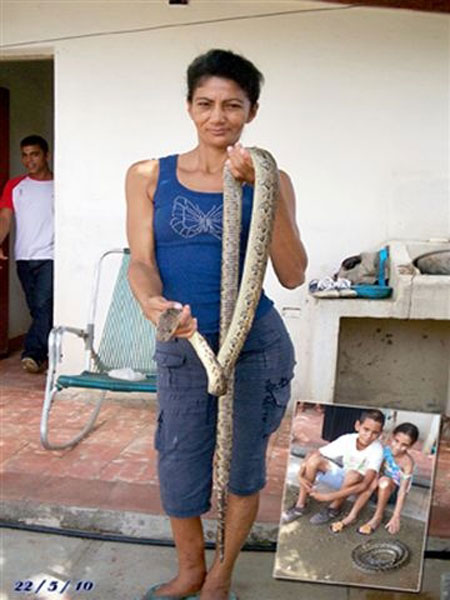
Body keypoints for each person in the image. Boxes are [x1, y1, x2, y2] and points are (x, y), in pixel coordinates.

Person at [126, 49, 307, 600]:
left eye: (233, 104)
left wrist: (264, 190)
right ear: (189, 106)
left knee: (242, 465)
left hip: (255, 347)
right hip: (185, 343)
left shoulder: (272, 178)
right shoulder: (148, 174)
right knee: (179, 458)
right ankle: (190, 570)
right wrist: (152, 304)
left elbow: (294, 274)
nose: (218, 116)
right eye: (205, 103)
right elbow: (140, 261)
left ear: (252, 111)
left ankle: (221, 575)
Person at [0, 135, 54, 373]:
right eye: (25, 154)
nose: (29, 160)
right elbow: (5, 218)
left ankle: (32, 354)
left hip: (51, 256)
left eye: (35, 154)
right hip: (24, 257)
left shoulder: (61, 185)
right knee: (37, 308)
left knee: (43, 305)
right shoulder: (15, 186)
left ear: (47, 155)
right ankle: (50, 348)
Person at [282, 409, 385, 526]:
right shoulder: (348, 439)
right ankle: (300, 505)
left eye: (375, 433)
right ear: (357, 426)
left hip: (355, 486)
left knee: (353, 475)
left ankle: (333, 508)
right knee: (314, 461)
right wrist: (300, 476)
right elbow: (314, 453)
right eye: (366, 429)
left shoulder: (377, 450)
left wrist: (328, 497)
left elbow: (365, 485)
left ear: (380, 434)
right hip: (343, 476)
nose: (368, 436)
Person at [330, 422, 419, 535]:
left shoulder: (408, 463)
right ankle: (352, 516)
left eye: (404, 445)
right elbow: (376, 473)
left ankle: (378, 516)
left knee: (384, 481)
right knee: (369, 476)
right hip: (376, 488)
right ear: (392, 436)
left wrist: (396, 516)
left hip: (391, 494)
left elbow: (402, 491)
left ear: (411, 446)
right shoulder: (384, 450)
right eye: (396, 441)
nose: (397, 447)